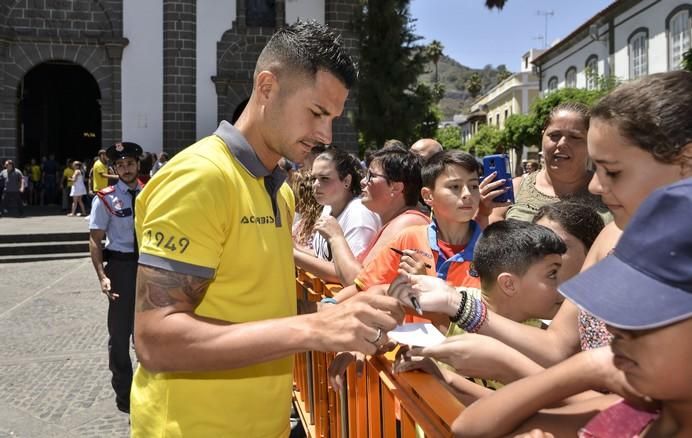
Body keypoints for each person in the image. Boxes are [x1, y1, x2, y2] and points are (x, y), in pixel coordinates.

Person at [130, 21, 405, 437]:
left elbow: (259, 311)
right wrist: (315, 329)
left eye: (332, 118)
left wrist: (347, 318)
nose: (325, 134)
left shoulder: (280, 190)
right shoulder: (200, 177)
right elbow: (155, 340)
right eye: (316, 112)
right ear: (267, 87)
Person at [403, 70, 692, 369]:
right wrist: (455, 305)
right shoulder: (613, 238)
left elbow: (610, 386)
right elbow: (559, 349)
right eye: (554, 135)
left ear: (686, 161)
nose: (594, 186)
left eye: (613, 171)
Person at [451, 178, 692, 437]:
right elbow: (468, 427)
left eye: (644, 319)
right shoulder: (633, 414)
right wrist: (586, 367)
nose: (612, 327)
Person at [312, 145, 429, 285]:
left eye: (371, 176)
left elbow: (358, 282)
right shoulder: (397, 221)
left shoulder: (407, 223)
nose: (362, 181)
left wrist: (336, 237)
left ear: (396, 188)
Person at [481, 102, 609, 224]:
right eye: (554, 135)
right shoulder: (513, 189)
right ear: (542, 136)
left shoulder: (609, 191)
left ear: (591, 142)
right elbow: (488, 241)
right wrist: (482, 211)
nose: (562, 143)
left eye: (575, 137)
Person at [88, 142, 144, 414]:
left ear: (138, 165)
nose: (126, 169)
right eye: (120, 165)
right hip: (120, 270)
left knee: (149, 332)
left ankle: (148, 392)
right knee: (120, 337)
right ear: (114, 169)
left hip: (148, 269)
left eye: (130, 164)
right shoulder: (105, 198)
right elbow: (95, 240)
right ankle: (124, 395)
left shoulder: (151, 193)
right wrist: (102, 276)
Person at [294, 146, 381, 283]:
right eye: (314, 178)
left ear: (346, 181)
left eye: (325, 179)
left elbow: (350, 276)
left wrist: (291, 255)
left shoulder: (359, 215)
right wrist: (293, 247)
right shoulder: (328, 207)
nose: (315, 185)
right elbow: (323, 259)